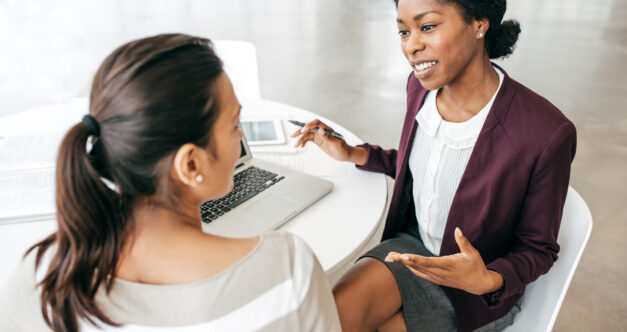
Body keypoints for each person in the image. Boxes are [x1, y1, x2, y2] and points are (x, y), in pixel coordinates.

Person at [0, 34, 341, 332]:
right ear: (191, 163)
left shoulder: (42, 276)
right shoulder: (287, 270)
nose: (241, 136)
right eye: (234, 124)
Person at [292, 0, 576, 331]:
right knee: (328, 319)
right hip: (413, 250)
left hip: (474, 292)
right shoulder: (420, 88)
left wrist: (487, 279)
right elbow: (428, 169)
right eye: (403, 31)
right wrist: (355, 154)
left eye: (427, 27)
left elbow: (538, 249)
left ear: (479, 23)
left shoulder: (545, 132)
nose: (411, 46)